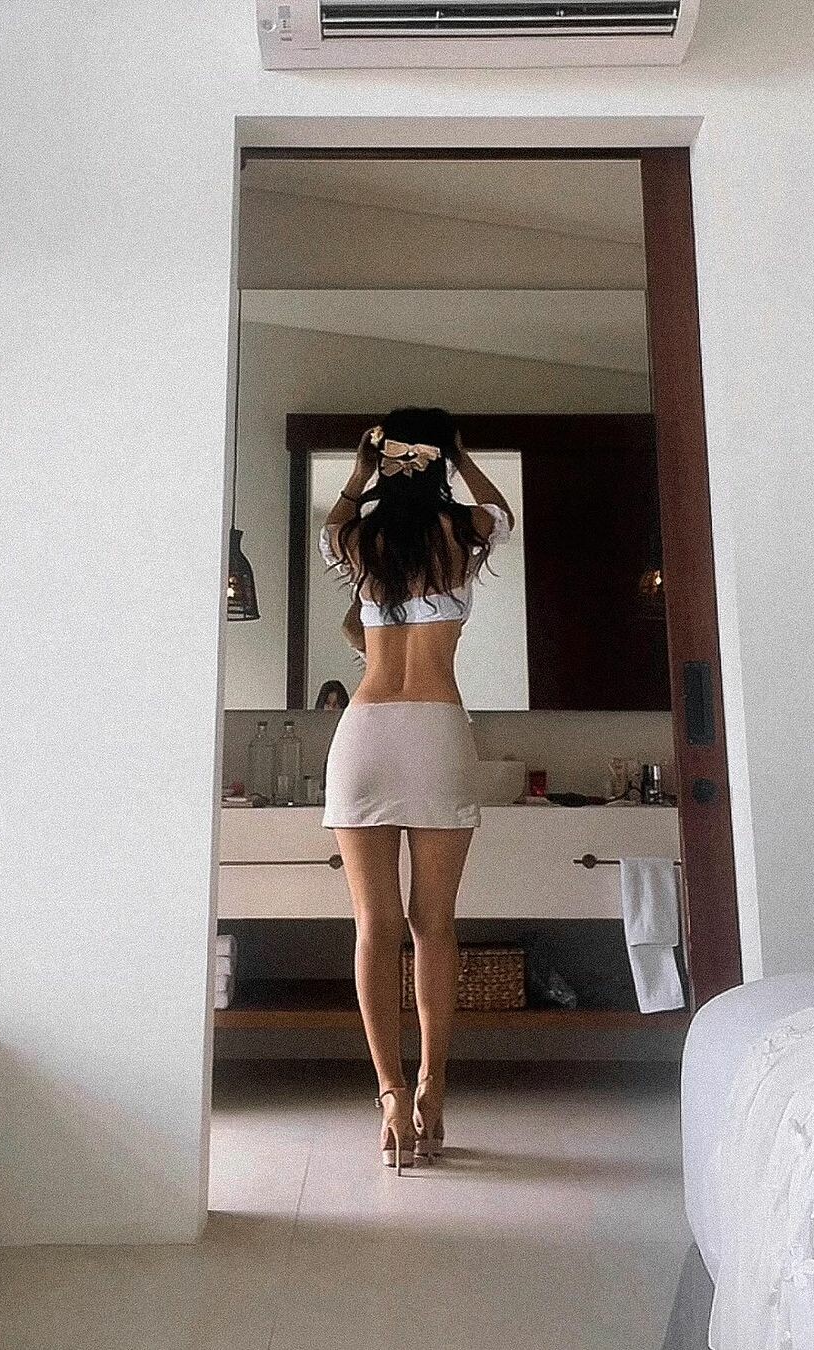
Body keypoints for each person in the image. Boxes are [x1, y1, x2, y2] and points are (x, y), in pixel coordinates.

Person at [318, 406, 514, 1173]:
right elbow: (501, 511)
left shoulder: (361, 541)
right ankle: (432, 1089)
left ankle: (390, 1095)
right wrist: (460, 456)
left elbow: (334, 521)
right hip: (435, 731)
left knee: (375, 926)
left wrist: (360, 469)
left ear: (385, 460)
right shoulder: (463, 533)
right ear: (439, 460)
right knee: (434, 924)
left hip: (364, 734)